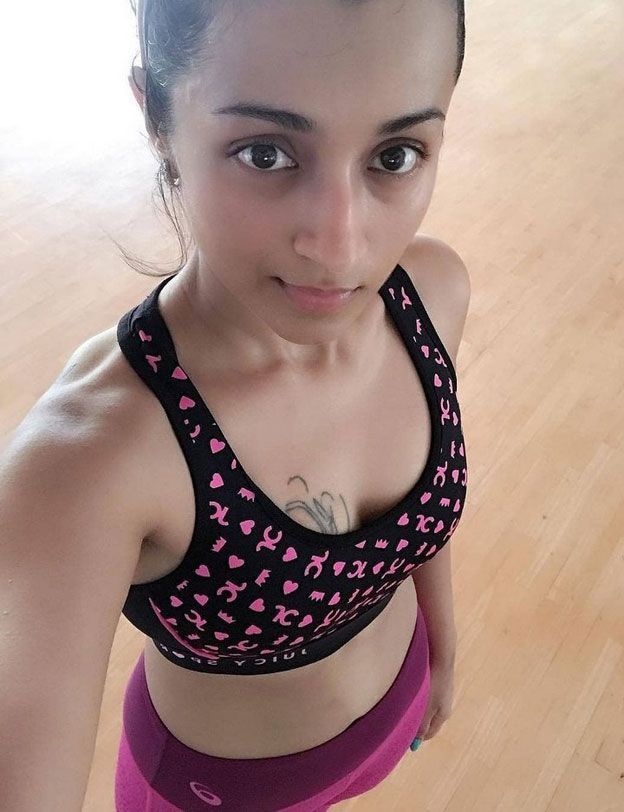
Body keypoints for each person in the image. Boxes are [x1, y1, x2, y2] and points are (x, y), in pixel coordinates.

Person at [0, 0, 470, 809]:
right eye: (265, 153)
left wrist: (444, 647)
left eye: (395, 156)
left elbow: (424, 524)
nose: (341, 246)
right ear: (157, 118)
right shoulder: (90, 458)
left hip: (401, 705)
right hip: (220, 790)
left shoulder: (431, 294)